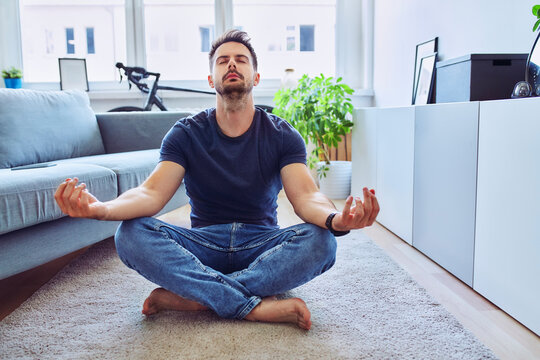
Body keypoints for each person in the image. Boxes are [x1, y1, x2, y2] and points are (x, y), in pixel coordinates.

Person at [54, 30, 379, 330]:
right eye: (223, 60)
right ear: (212, 78)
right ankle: (251, 305)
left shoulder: (282, 135)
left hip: (261, 245)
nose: (232, 64)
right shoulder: (185, 133)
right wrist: (102, 209)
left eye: (241, 60)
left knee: (323, 241)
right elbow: (151, 192)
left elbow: (307, 196)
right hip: (203, 244)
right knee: (129, 234)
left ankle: (196, 297)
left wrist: (336, 220)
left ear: (256, 76)